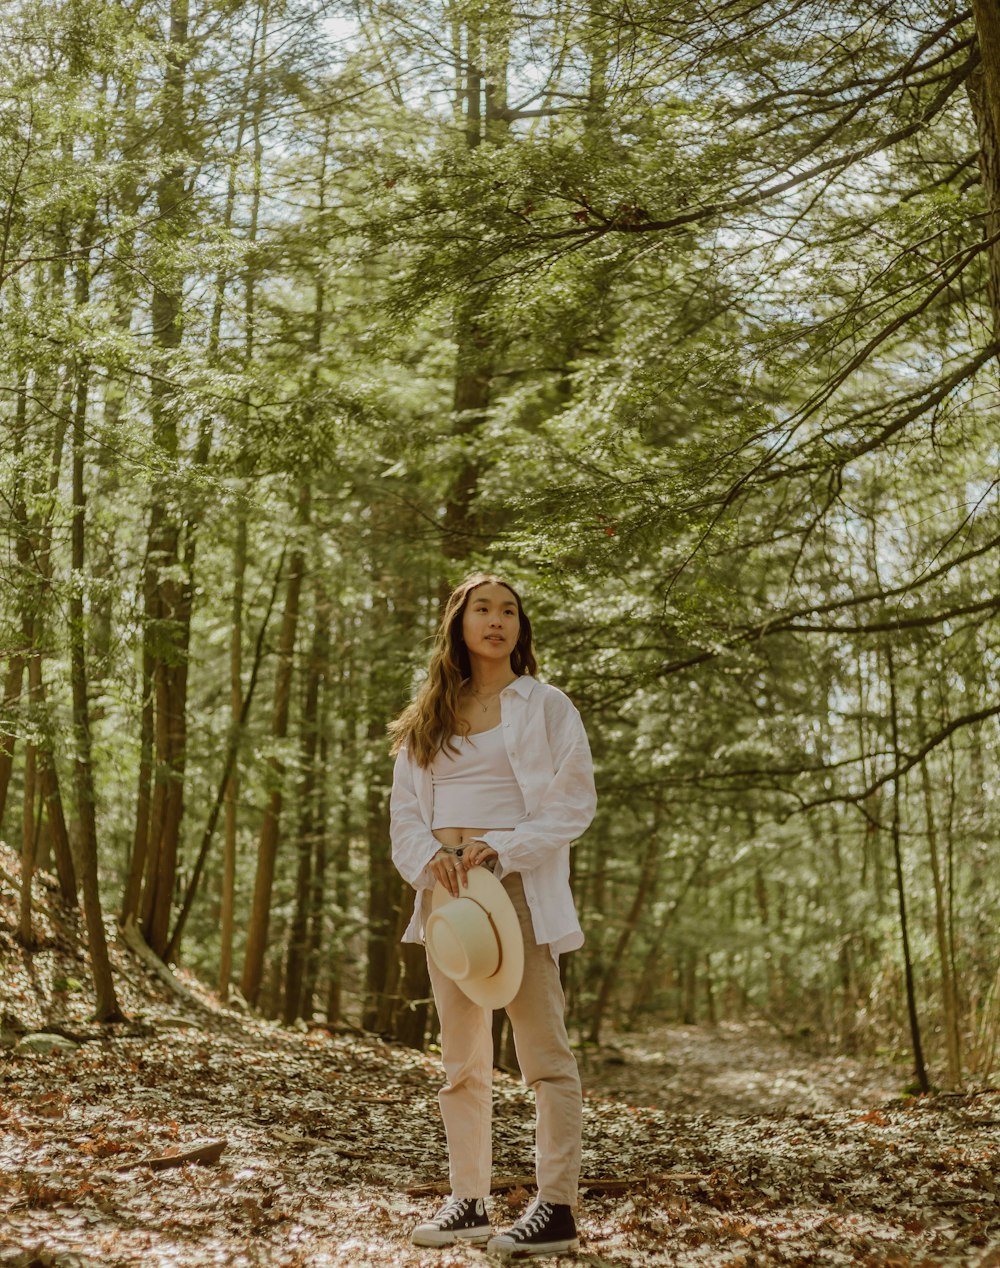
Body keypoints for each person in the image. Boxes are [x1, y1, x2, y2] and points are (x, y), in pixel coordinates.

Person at [388, 572, 597, 1257]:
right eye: (484, 608)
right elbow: (405, 817)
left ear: (520, 628)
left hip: (513, 889)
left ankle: (557, 1208)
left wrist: (502, 848)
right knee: (461, 1060)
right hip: (447, 898)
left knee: (544, 1055)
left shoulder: (545, 706)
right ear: (460, 622)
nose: (497, 620)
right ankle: (469, 1202)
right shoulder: (428, 716)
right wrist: (430, 860)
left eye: (510, 611)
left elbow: (573, 802)